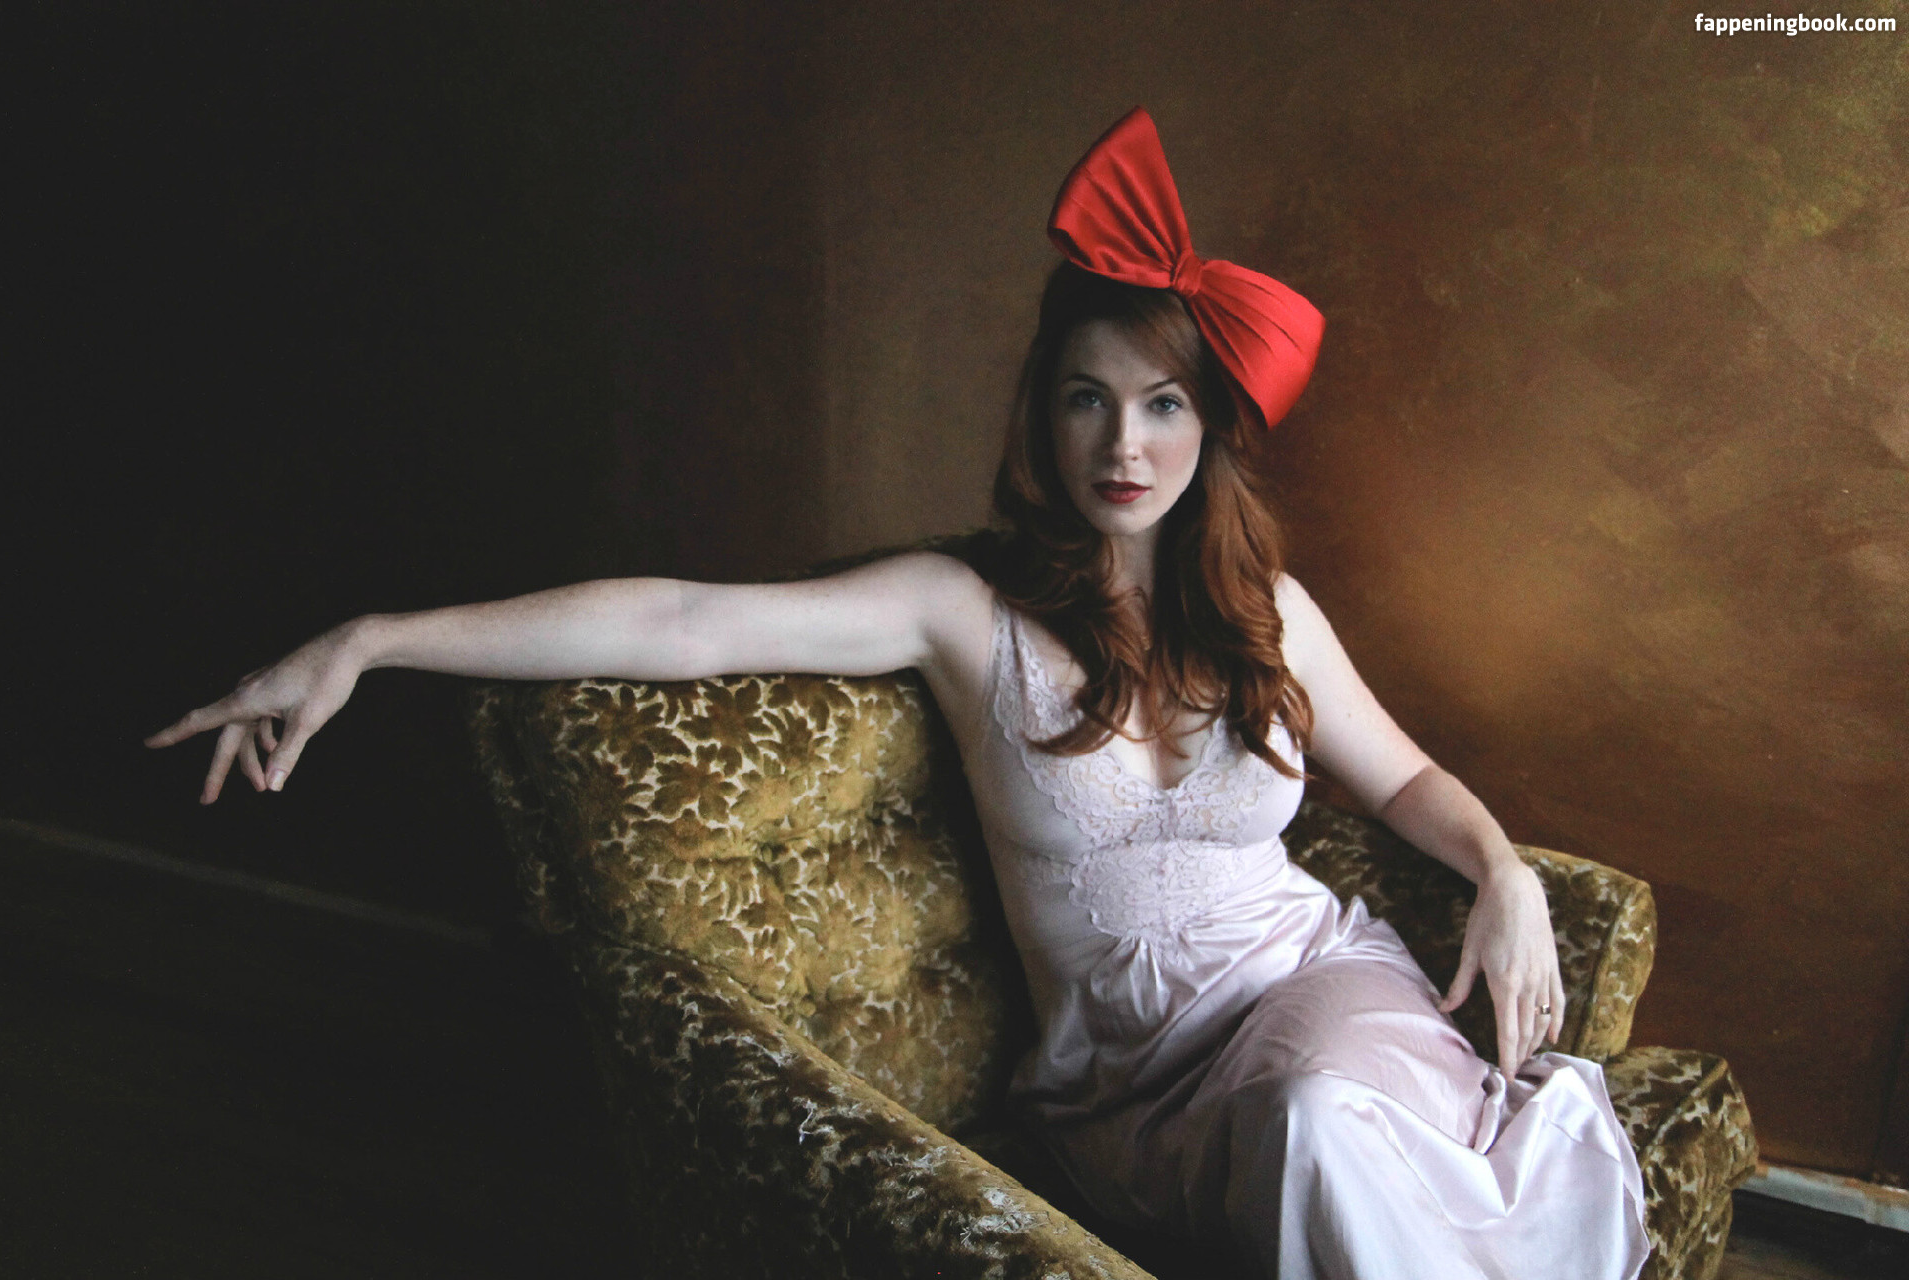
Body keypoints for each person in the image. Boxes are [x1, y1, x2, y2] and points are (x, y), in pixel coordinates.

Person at [148, 109, 1648, 1279]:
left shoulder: (1273, 617)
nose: (1122, 445)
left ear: (1211, 431)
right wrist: (372, 640)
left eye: (1163, 404)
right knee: (1310, 1144)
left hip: (1318, 999)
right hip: (1130, 1096)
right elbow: (685, 619)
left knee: (1323, 1121)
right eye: (1086, 398)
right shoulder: (962, 612)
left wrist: (1504, 873)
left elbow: (1404, 779)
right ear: (1042, 414)